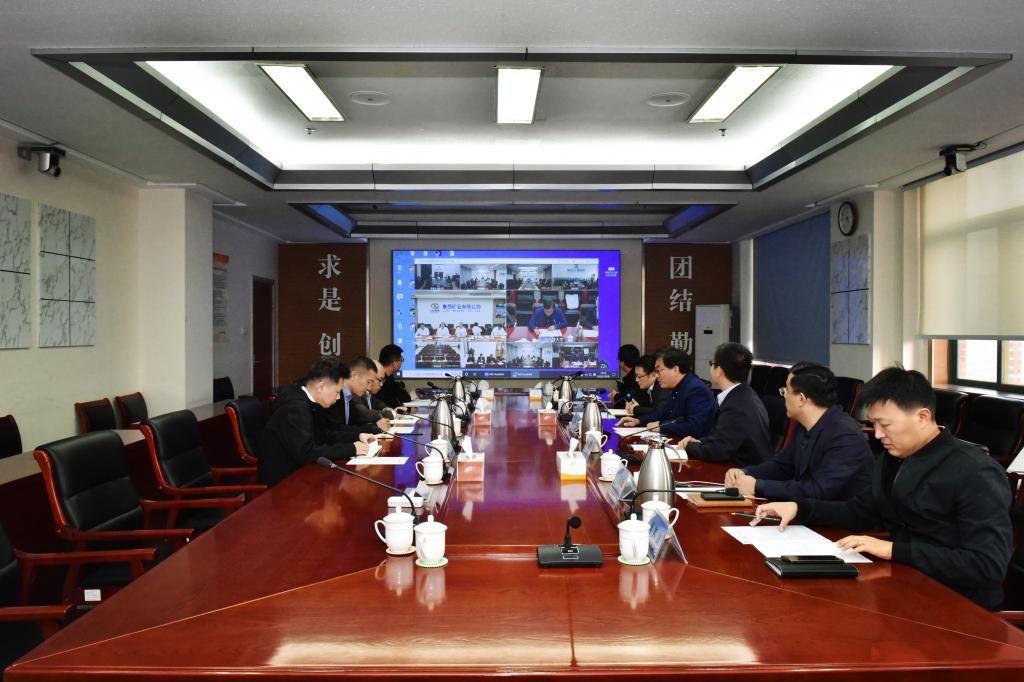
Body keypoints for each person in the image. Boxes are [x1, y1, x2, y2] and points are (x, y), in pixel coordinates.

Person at [752, 367, 1013, 610]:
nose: (877, 434)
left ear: (922, 417)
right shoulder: (892, 459)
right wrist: (800, 508)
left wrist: (892, 549)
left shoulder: (975, 471)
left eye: (885, 425)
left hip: (958, 606)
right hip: (903, 586)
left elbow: (987, 565)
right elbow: (860, 512)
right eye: (874, 424)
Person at [721, 361, 872, 499]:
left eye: (786, 391)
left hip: (842, 518)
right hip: (811, 511)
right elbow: (782, 465)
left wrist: (757, 486)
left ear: (801, 399)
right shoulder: (804, 425)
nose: (784, 396)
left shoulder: (845, 435)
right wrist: (745, 473)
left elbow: (818, 490)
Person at [258, 356, 375, 487]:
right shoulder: (295, 408)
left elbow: (326, 433)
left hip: (301, 474)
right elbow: (306, 453)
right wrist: (351, 449)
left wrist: (357, 437)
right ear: (321, 387)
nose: (338, 398)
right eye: (337, 392)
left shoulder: (310, 399)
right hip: (284, 483)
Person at [679, 343, 772, 468]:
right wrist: (699, 442)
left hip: (744, 472)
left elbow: (718, 451)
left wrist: (689, 446)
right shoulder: (743, 394)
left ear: (719, 371)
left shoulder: (737, 406)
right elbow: (722, 437)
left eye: (711, 363)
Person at [616, 348, 716, 439]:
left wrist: (661, 427)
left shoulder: (695, 389)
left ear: (675, 369)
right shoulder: (678, 387)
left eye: (658, 370)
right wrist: (638, 421)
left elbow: (694, 427)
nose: (656, 375)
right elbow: (662, 414)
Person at [625, 354, 669, 419]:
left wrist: (636, 409)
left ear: (653, 374)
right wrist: (631, 405)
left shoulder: (662, 387)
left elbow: (659, 412)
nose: (636, 380)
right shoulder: (646, 388)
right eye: (636, 376)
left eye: (639, 376)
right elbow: (644, 406)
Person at [608, 344, 641, 408]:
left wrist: (615, 396)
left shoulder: (633, 378)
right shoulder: (632, 375)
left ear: (622, 362)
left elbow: (629, 400)